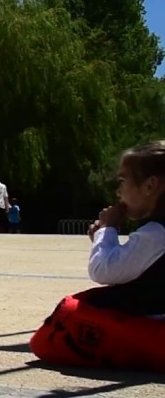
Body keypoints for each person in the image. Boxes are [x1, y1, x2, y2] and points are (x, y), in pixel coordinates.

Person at [29, 141, 165, 372]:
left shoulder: (155, 233)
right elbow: (132, 265)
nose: (118, 191)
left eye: (123, 181)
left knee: (70, 314)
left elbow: (103, 270)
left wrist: (108, 229)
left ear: (150, 185)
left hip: (154, 324)